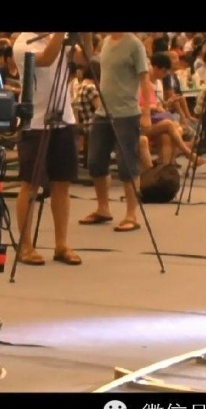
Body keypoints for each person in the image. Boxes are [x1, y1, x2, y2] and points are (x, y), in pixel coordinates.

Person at [11, 32, 92, 266]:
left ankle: (61, 244)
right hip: (35, 122)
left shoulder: (58, 39)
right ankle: (25, 246)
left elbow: (86, 59)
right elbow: (46, 59)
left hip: (63, 118)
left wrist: (86, 36)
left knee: (62, 183)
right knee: (31, 183)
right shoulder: (23, 43)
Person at [79, 32, 152, 232]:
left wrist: (146, 111)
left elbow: (144, 78)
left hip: (126, 113)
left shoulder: (134, 44)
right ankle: (103, 208)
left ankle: (131, 214)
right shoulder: (106, 42)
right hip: (103, 111)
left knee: (127, 164)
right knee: (95, 161)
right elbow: (88, 58)